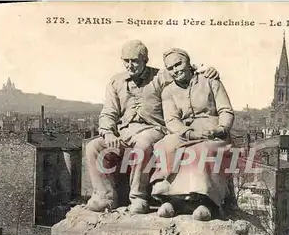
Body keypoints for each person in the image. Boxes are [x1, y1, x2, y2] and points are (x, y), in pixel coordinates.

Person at [84, 40, 219, 214]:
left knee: (143, 144)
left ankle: (138, 197)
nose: (130, 65)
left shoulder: (160, 77)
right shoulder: (115, 82)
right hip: (124, 134)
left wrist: (207, 70)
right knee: (93, 147)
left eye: (135, 61)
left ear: (145, 60)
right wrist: (108, 132)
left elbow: (184, 71)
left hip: (155, 130)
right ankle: (105, 196)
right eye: (126, 61)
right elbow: (108, 112)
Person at [150, 48, 235, 221]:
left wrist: (221, 128)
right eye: (171, 68)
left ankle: (206, 201)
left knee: (200, 151)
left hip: (212, 132)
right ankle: (170, 199)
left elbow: (226, 110)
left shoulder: (210, 81)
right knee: (164, 146)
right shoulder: (168, 92)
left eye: (178, 64)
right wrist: (188, 133)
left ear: (188, 63)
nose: (176, 70)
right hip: (185, 133)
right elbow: (172, 120)